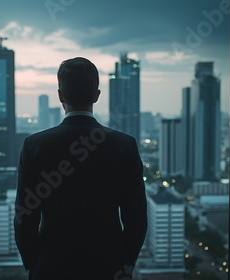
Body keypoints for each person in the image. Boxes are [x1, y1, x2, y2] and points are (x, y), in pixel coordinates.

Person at [14, 57, 147, 280]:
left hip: (51, 267)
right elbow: (137, 219)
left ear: (60, 96)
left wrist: (35, 264)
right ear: (97, 95)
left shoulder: (35, 146)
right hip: (109, 267)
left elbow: (24, 217)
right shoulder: (124, 145)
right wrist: (125, 263)